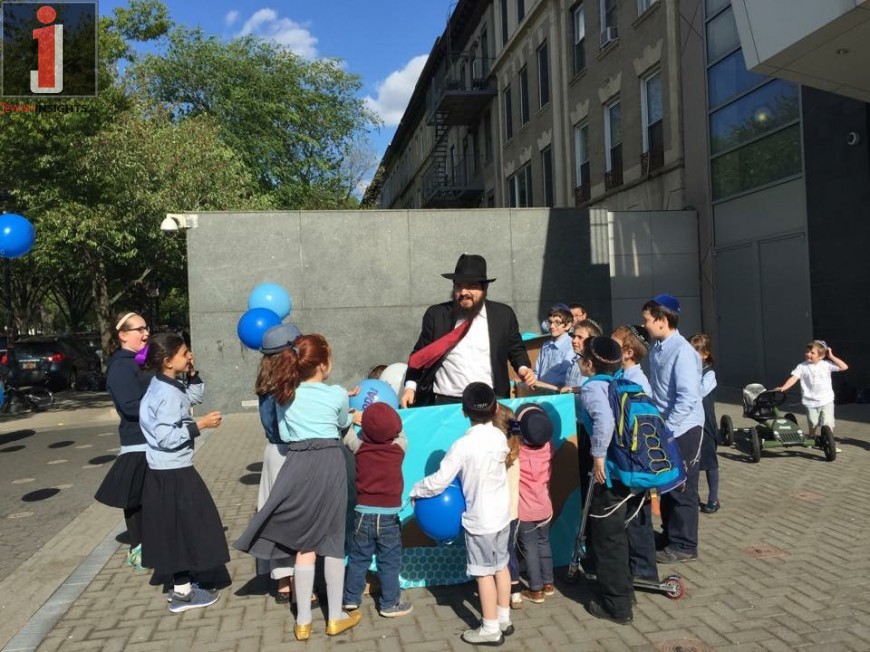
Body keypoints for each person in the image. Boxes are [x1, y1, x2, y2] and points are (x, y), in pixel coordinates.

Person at [234, 334, 363, 641]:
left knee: (304, 544)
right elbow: (342, 423)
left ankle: (303, 621)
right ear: (323, 364)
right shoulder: (337, 394)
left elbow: (283, 432)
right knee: (332, 541)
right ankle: (335, 617)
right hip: (330, 461)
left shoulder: (285, 394)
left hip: (297, 461)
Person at [410, 383, 513, 646]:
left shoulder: (463, 445)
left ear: (464, 412)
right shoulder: (499, 437)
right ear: (496, 408)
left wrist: (416, 490)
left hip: (481, 520)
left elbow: (439, 482)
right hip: (502, 516)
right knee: (501, 566)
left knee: (483, 573)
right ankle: (504, 618)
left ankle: (490, 629)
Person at [138, 332, 228, 613]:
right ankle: (183, 593)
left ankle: (182, 587)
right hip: (172, 471)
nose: (190, 356)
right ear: (167, 361)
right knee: (186, 528)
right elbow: (166, 437)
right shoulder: (165, 393)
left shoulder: (165, 382)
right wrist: (200, 425)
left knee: (180, 529)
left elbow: (193, 396)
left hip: (168, 470)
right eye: (184, 353)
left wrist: (193, 372)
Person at [400, 254, 535, 408]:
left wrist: (523, 369)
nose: (463, 292)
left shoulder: (503, 315)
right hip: (445, 402)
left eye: (471, 286)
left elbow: (516, 349)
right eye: (458, 286)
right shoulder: (437, 315)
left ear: (484, 288)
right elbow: (420, 356)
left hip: (489, 400)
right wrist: (410, 388)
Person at [641, 295, 704, 564]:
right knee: (667, 485)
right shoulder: (658, 348)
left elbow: (688, 397)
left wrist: (669, 427)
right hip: (666, 428)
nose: (644, 325)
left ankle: (685, 544)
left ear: (662, 320)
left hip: (684, 429)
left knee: (683, 487)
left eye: (647, 320)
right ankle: (670, 536)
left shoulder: (682, 351)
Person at [577, 336, 633, 625]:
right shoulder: (622, 383)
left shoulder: (592, 388)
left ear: (589, 364)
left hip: (609, 471)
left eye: (580, 359)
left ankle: (616, 605)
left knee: (607, 538)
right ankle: (626, 590)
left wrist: (598, 455)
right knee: (620, 534)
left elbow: (605, 422)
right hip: (629, 469)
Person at [341, 402, 413, 618]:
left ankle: (350, 598)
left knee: (358, 558)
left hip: (363, 513)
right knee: (389, 561)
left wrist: (353, 417)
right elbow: (401, 432)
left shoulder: (359, 447)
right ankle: (389, 603)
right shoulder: (399, 448)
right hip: (389, 516)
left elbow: (346, 435)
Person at [94, 312, 152, 572]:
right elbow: (130, 406)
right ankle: (139, 550)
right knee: (136, 500)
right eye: (140, 329)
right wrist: (162, 407)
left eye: (146, 328)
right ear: (123, 335)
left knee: (150, 498)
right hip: (137, 444)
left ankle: (153, 544)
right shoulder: (120, 366)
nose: (146, 333)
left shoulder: (140, 361)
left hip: (151, 441)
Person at [254, 322, 302, 603]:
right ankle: (299, 582)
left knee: (276, 520)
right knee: (295, 520)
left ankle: (283, 581)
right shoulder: (289, 387)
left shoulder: (266, 384)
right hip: (291, 454)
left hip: (273, 453)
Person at [610, 324, 660, 585]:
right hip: (625, 458)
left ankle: (644, 570)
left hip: (635, 459)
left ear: (628, 352)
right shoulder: (621, 374)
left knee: (638, 515)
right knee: (629, 515)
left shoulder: (636, 382)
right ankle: (634, 564)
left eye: (614, 344)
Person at [775, 339, 848, 453]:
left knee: (828, 423)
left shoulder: (826, 365)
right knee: (813, 422)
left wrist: (831, 356)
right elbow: (794, 378)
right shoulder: (802, 366)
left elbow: (844, 367)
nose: (808, 354)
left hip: (826, 400)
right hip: (810, 401)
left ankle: (830, 443)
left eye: (812, 353)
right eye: (807, 352)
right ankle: (811, 438)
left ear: (821, 356)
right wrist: (784, 387)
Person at [514, 404, 555, 605]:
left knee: (529, 548)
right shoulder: (548, 448)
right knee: (544, 543)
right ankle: (549, 584)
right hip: (545, 507)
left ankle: (535, 589)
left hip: (525, 510)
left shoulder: (517, 452)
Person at [492, 404, 523, 609]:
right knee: (509, 549)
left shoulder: (498, 456)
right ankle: (516, 590)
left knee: (500, 552)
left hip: (499, 512)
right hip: (513, 511)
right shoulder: (516, 451)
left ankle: (506, 589)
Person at [689, 333, 722, 514]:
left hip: (706, 425)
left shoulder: (709, 374)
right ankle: (692, 497)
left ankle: (713, 498)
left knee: (710, 463)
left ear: (705, 354)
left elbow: (700, 392)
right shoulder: (687, 371)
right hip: (690, 423)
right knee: (691, 463)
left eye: (696, 353)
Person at [534, 305, 575, 387]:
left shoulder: (571, 346)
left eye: (557, 322)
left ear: (568, 325)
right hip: (541, 390)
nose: (552, 326)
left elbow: (564, 378)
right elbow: (537, 372)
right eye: (550, 322)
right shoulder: (546, 345)